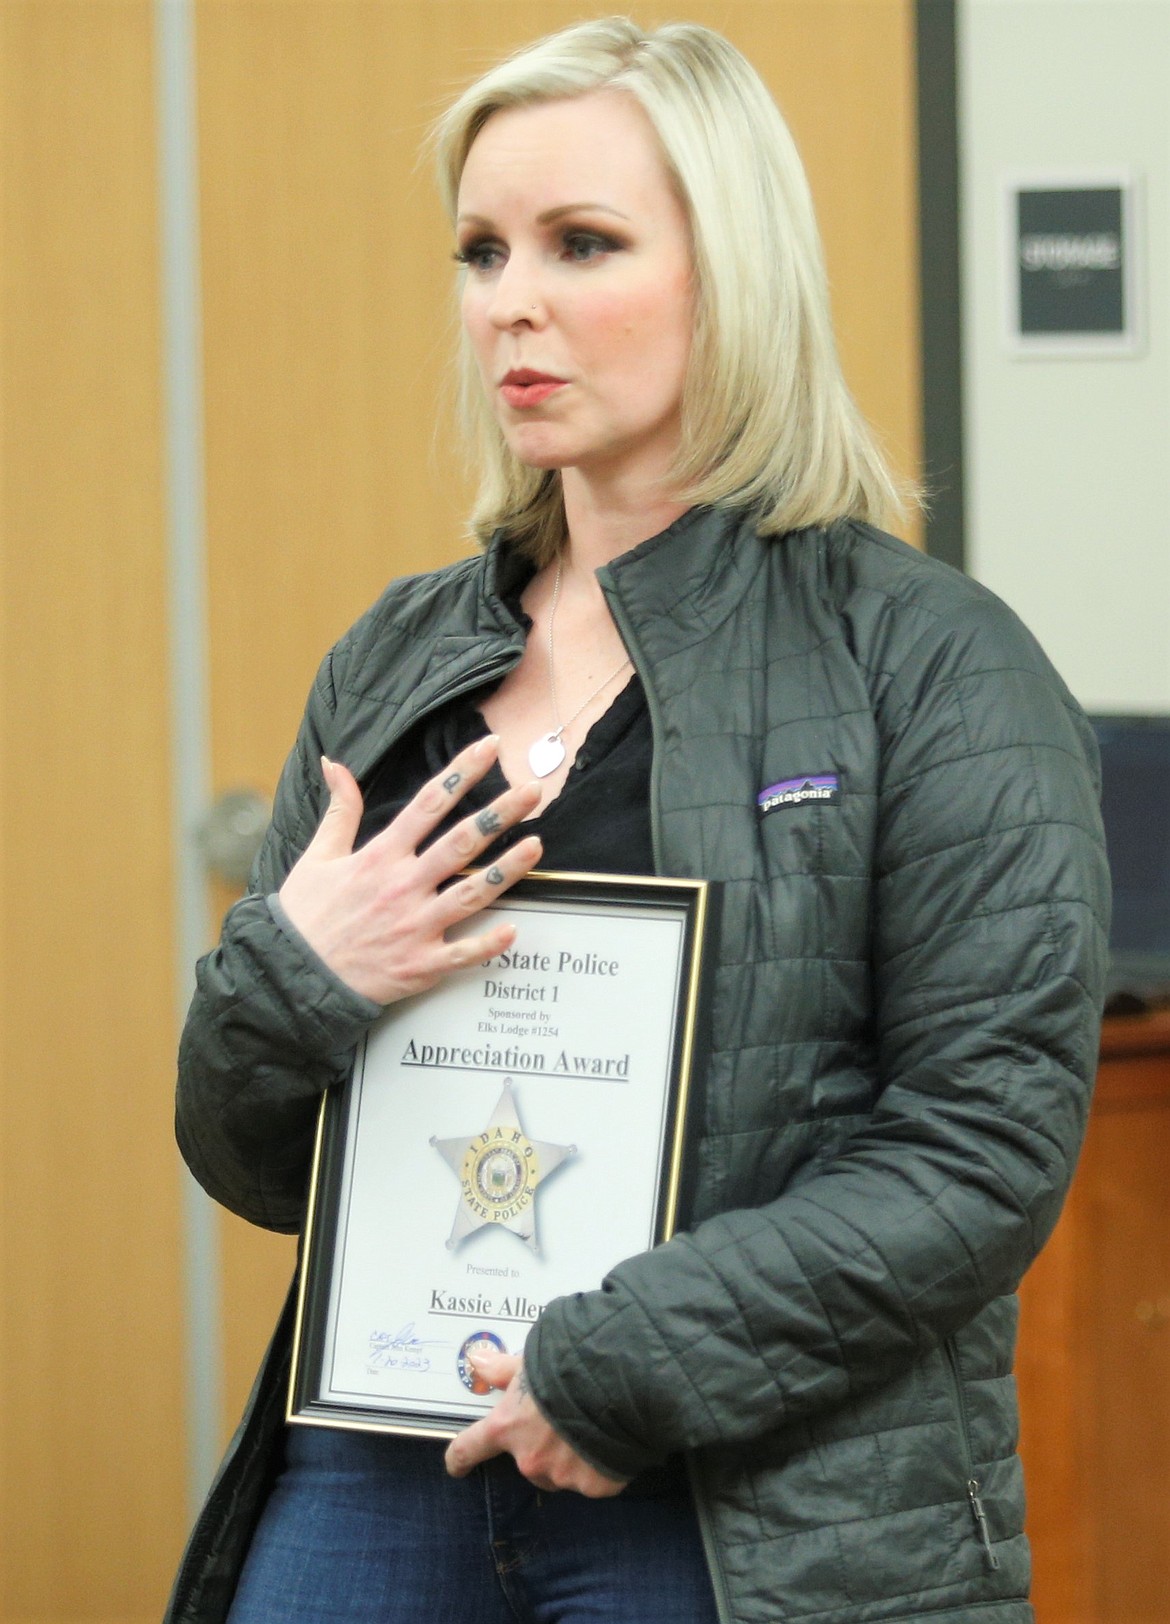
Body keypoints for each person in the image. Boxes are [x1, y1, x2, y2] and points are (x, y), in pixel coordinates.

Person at [166, 16, 1109, 1624]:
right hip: (384, 1468)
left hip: (737, 1493)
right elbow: (251, 1163)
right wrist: (295, 979)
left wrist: (613, 1370)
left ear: (729, 272)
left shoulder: (932, 659)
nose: (509, 302)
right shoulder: (389, 662)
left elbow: (980, 1145)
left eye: (580, 243)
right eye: (480, 250)